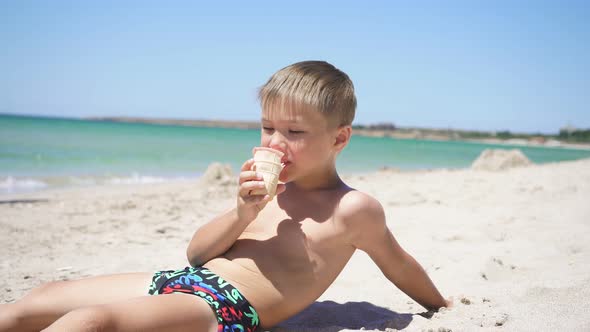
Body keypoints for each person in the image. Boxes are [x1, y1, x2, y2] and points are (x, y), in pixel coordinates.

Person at [0, 60, 449, 332]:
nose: (275, 142)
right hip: (183, 281)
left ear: (339, 139)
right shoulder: (269, 190)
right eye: (268, 127)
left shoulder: (351, 208)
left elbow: (398, 261)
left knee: (92, 322)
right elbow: (196, 254)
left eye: (294, 132)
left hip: (227, 308)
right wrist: (241, 211)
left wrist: (439, 305)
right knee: (44, 296)